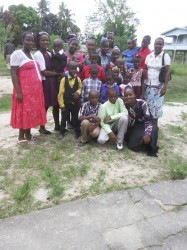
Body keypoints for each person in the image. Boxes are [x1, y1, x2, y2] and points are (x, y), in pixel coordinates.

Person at [10, 32, 46, 145]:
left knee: (31, 111)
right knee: (24, 111)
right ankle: (21, 136)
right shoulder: (17, 54)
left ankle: (28, 134)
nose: (30, 42)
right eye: (28, 40)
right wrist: (18, 92)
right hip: (24, 91)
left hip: (35, 92)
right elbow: (13, 73)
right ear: (22, 40)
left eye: (32, 40)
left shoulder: (32, 55)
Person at [34, 31, 62, 134]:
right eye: (43, 40)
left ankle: (57, 125)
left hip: (53, 82)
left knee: (56, 104)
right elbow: (43, 72)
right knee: (45, 105)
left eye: (47, 40)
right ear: (38, 41)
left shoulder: (49, 53)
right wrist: (57, 74)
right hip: (46, 83)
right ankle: (42, 127)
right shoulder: (38, 54)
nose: (45, 42)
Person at [124, 86, 158, 157]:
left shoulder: (142, 103)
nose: (128, 97)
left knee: (152, 131)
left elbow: (148, 119)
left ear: (134, 95)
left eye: (130, 94)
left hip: (146, 123)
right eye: (126, 95)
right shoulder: (124, 106)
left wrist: (147, 134)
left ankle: (150, 145)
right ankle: (143, 143)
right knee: (133, 146)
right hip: (136, 126)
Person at [144, 37, 171, 125]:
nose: (158, 45)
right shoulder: (149, 56)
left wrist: (165, 87)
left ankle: (155, 127)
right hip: (148, 86)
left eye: (160, 44)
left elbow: (167, 72)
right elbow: (145, 69)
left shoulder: (165, 56)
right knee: (147, 107)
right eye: (157, 43)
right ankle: (148, 126)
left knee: (156, 108)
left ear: (163, 45)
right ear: (154, 44)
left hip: (158, 87)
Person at [58, 61, 82, 139]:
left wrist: (78, 93)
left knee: (75, 117)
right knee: (64, 117)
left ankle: (77, 131)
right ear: (67, 69)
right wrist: (61, 104)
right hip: (66, 102)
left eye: (75, 69)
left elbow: (80, 88)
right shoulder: (63, 80)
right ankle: (62, 131)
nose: (73, 70)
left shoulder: (78, 79)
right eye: (71, 69)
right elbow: (61, 93)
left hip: (75, 102)